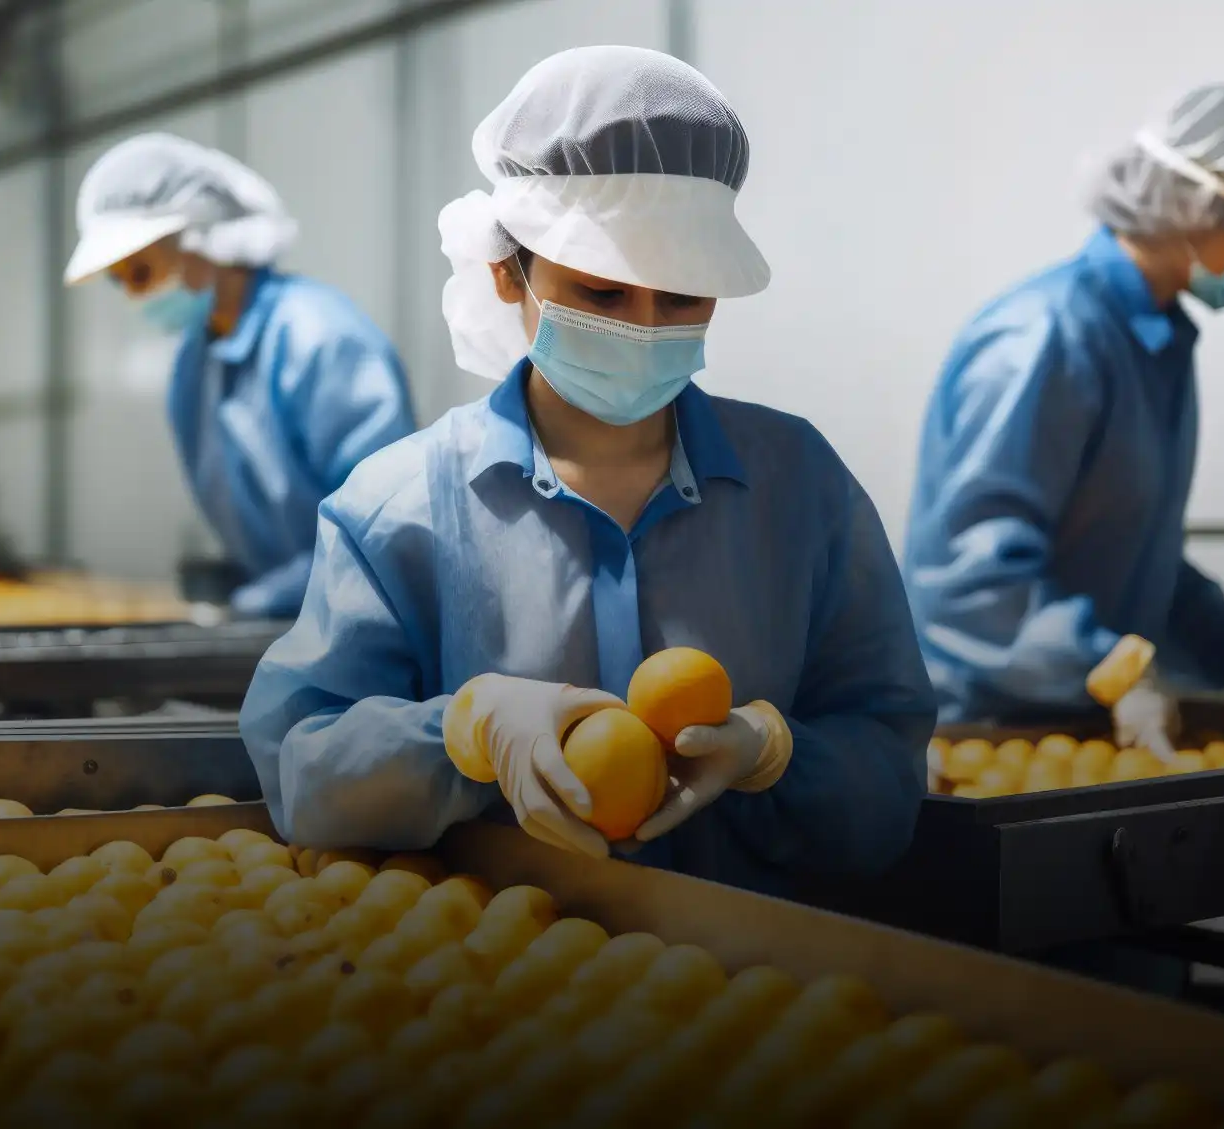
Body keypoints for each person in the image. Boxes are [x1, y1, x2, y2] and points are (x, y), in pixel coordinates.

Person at [239, 46, 936, 895]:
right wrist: (464, 734)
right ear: (507, 272)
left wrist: (776, 753)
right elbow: (302, 772)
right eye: (602, 292)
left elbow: (890, 769)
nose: (644, 324)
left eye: (680, 296)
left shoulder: (799, 488)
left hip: (753, 980)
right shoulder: (397, 510)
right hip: (487, 977)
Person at [904, 83, 1224, 746]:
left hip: (1088, 726)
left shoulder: (1157, 345)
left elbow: (1134, 561)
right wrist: (1110, 667)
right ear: (1198, 205)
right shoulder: (1045, 338)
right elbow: (970, 581)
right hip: (987, 732)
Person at [64, 134, 417, 620]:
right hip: (291, 621)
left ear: (201, 237)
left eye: (141, 271)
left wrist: (263, 600)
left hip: (371, 623)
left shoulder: (321, 339)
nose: (132, 296)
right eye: (117, 280)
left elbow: (385, 526)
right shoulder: (194, 362)